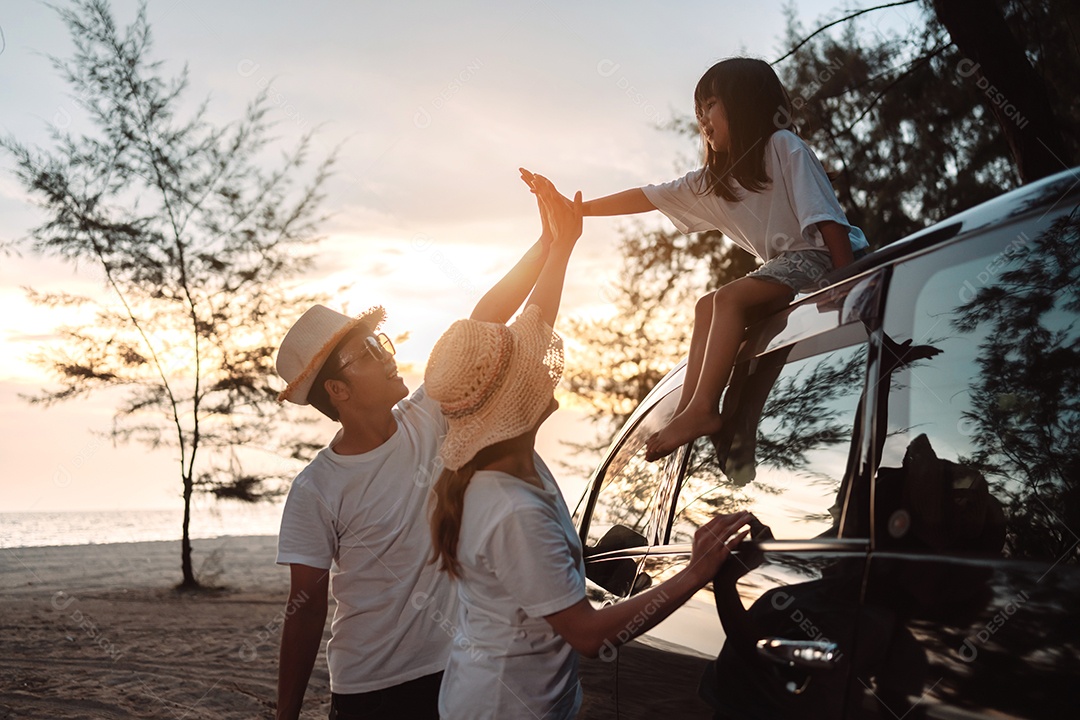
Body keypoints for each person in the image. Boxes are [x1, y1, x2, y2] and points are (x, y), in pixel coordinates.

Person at [424, 173, 751, 720]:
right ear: (516, 402)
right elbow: (590, 635)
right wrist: (695, 572)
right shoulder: (511, 508)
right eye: (531, 368)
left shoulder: (503, 467)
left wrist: (561, 241)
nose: (544, 371)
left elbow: (534, 319)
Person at [273, 204, 569, 720]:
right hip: (371, 688)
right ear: (338, 391)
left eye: (377, 340)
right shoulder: (317, 489)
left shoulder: (425, 417)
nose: (386, 353)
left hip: (456, 669)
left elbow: (486, 321)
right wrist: (287, 714)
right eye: (366, 352)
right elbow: (305, 609)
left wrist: (548, 245)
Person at [524, 57, 869, 462]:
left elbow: (829, 221)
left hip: (828, 258)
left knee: (727, 300)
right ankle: (691, 410)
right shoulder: (714, 182)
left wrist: (846, 285)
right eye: (699, 110)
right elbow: (647, 196)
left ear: (744, 104)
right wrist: (576, 209)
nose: (703, 118)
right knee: (707, 305)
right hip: (790, 267)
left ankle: (704, 409)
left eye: (711, 105)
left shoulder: (783, 147)